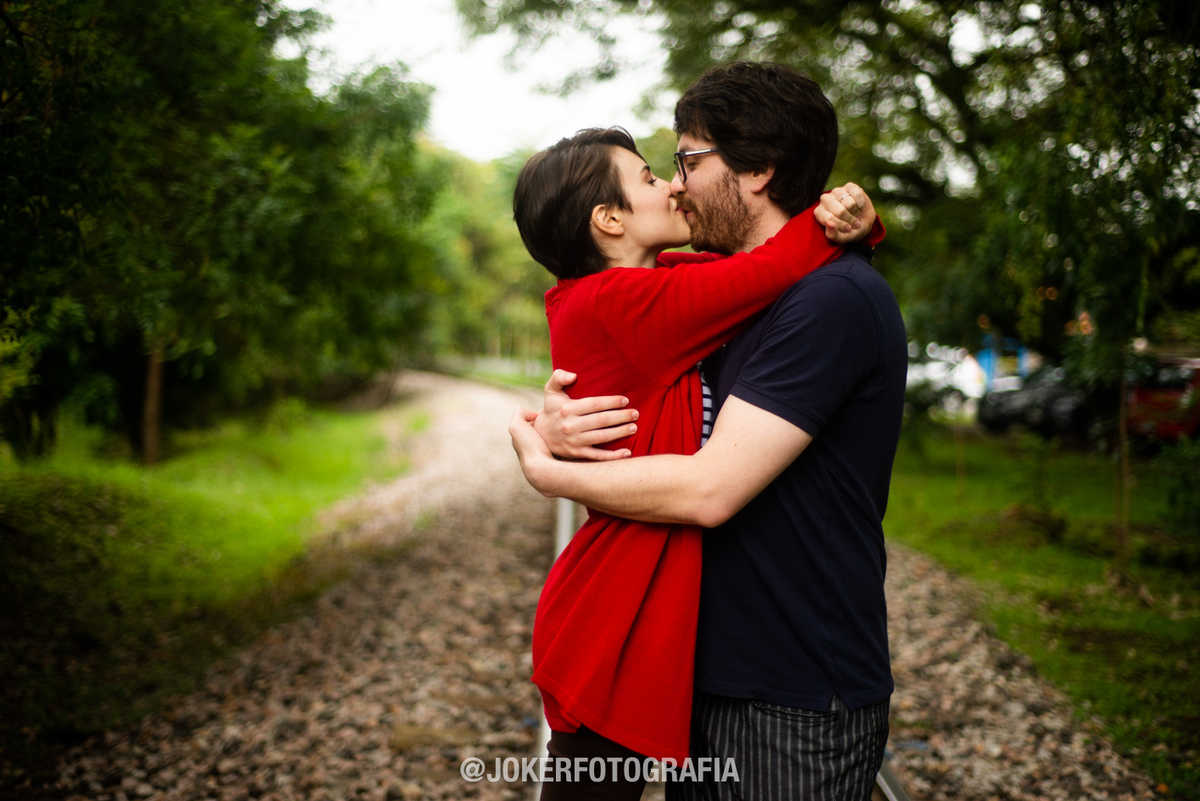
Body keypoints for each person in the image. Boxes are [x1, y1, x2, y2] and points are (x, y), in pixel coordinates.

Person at [509, 61, 908, 800]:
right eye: (660, 170)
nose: (676, 183)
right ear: (608, 220)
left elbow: (709, 489)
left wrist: (547, 468)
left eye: (688, 160)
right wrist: (549, 418)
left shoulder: (829, 299)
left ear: (758, 169)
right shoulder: (689, 295)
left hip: (791, 693)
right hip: (703, 670)